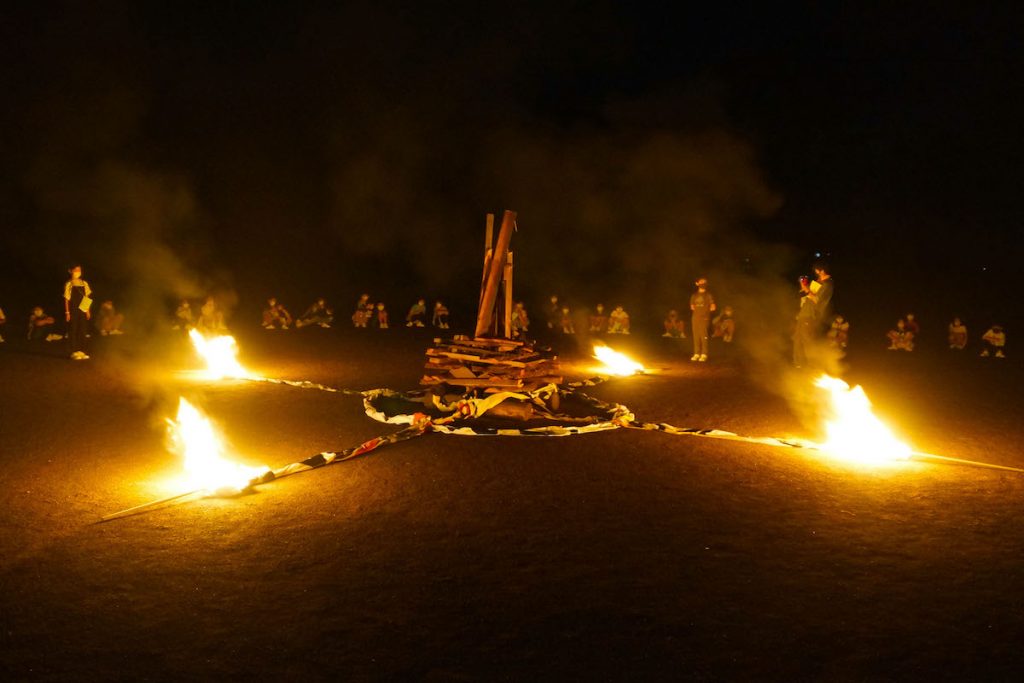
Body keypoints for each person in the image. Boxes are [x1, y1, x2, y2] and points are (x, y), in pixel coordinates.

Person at [792, 262, 833, 368]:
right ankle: (799, 364)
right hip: (804, 313)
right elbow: (808, 296)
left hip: (811, 315)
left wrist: (806, 289)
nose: (816, 274)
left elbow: (816, 299)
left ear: (822, 271)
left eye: (817, 272)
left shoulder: (827, 284)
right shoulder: (818, 282)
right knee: (797, 339)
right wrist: (804, 287)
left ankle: (815, 364)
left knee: (807, 340)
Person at [63, 265, 93, 360]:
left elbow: (86, 297)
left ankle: (82, 351)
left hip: (82, 309)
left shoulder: (84, 283)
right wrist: (67, 312)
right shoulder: (69, 283)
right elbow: (66, 299)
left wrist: (87, 310)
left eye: (79, 270)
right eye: (76, 270)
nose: (78, 272)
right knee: (73, 329)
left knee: (82, 329)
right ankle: (73, 351)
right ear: (70, 271)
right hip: (73, 309)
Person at [690, 277, 716, 362]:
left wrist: (706, 311)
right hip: (695, 318)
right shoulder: (694, 295)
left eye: (705, 282)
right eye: (701, 282)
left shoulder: (708, 295)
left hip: (704, 318)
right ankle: (696, 353)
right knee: (696, 336)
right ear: (697, 283)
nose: (703, 283)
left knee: (703, 335)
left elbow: (713, 307)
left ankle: (704, 354)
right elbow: (692, 307)